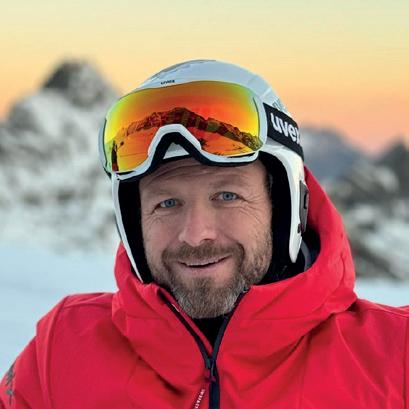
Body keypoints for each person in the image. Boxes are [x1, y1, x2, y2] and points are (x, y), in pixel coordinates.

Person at [1, 59, 408, 409]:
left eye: (227, 196)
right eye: (167, 203)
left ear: (284, 208)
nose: (195, 235)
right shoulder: (62, 354)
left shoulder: (394, 358)